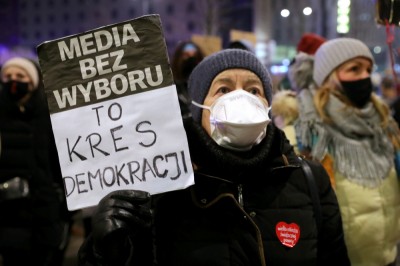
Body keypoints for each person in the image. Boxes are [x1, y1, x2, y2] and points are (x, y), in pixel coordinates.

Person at [78, 49, 350, 266]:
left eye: (254, 90)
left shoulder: (308, 179)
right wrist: (104, 252)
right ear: (199, 109)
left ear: (268, 105)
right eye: (223, 89)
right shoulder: (163, 191)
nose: (241, 97)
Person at [296, 37, 400, 266]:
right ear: (329, 77)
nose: (365, 76)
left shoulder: (383, 122)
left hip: (389, 256)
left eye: (368, 69)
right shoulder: (311, 131)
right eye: (354, 69)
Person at [0, 57, 70, 265]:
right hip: (9, 212)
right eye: (8, 76)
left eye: (20, 76)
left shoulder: (49, 115)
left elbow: (59, 161)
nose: (13, 81)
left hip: (44, 208)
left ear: (33, 81)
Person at [171, 40, 205, 119]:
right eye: (186, 55)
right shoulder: (172, 89)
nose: (191, 59)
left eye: (195, 56)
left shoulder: (206, 87)